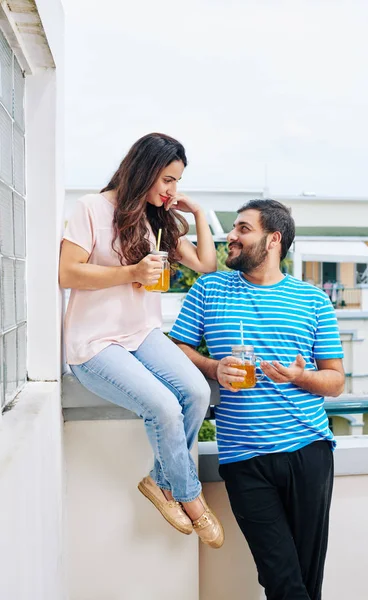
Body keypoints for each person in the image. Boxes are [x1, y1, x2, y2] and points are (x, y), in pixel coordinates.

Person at [170, 199, 345, 598]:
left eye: (243, 229)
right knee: (281, 578)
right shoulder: (208, 289)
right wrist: (214, 368)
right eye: (234, 228)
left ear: (273, 240)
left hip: (310, 450)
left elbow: (336, 382)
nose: (231, 236)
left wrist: (302, 377)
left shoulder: (313, 300)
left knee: (306, 579)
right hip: (244, 459)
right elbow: (176, 348)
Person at [59, 133, 224, 548]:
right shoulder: (91, 208)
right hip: (94, 343)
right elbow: (68, 272)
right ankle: (189, 498)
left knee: (196, 392)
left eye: (177, 182)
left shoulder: (157, 218)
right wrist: (130, 273)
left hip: (142, 333)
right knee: (165, 406)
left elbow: (206, 265)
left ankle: (160, 481)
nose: (172, 190)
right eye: (167, 179)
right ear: (145, 169)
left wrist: (199, 213)